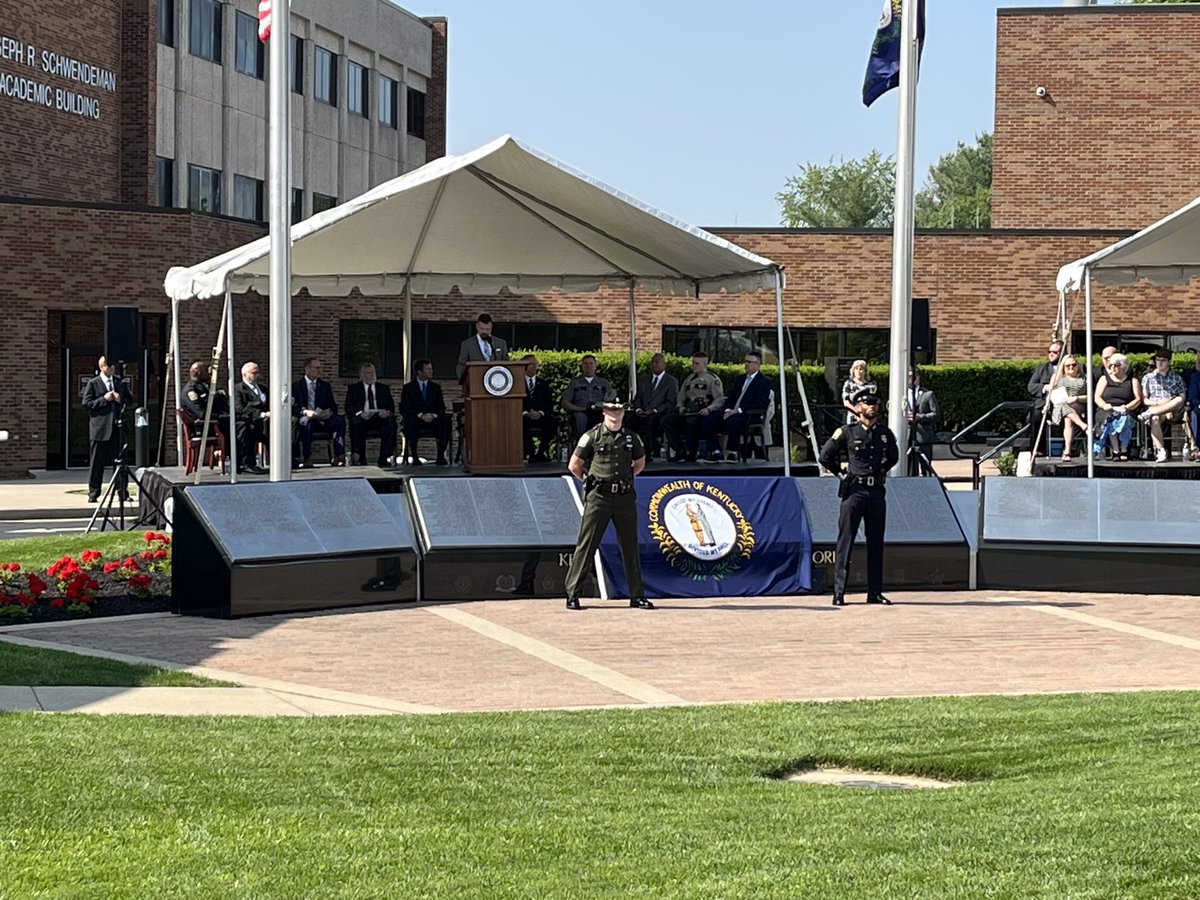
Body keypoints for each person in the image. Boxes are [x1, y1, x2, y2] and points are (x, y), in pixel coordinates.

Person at [563, 390, 653, 611]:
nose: (615, 413)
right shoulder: (592, 436)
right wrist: (589, 481)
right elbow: (574, 465)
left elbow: (639, 463)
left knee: (630, 547)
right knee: (587, 544)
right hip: (599, 497)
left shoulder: (631, 437)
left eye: (619, 409)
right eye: (611, 409)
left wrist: (625, 478)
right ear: (604, 411)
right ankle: (573, 593)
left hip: (623, 496)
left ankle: (637, 595)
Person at [818, 384, 900, 607]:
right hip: (854, 491)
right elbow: (825, 456)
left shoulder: (884, 434)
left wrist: (881, 470)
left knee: (876, 542)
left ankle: (875, 592)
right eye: (867, 403)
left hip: (876, 491)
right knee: (846, 541)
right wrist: (841, 473)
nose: (871, 407)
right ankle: (839, 593)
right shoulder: (847, 431)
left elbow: (894, 457)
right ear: (858, 407)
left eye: (874, 404)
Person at [81, 356, 134, 503]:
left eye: (113, 366)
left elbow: (130, 401)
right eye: (108, 366)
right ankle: (94, 492)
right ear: (102, 367)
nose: (112, 368)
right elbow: (86, 404)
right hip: (100, 429)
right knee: (97, 462)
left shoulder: (119, 382)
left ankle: (122, 492)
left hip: (117, 428)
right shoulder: (94, 383)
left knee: (120, 462)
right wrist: (104, 399)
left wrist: (120, 399)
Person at [662, 351, 724, 462]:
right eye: (693, 363)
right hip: (687, 409)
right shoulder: (689, 379)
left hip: (700, 411)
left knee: (691, 422)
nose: (693, 366)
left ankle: (691, 451)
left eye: (697, 363)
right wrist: (680, 406)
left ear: (705, 364)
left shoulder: (712, 379)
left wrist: (709, 409)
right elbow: (681, 396)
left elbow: (719, 399)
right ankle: (679, 448)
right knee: (667, 420)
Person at [714, 352, 771, 463]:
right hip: (732, 412)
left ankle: (733, 452)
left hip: (749, 415)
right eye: (745, 361)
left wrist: (738, 410)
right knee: (710, 419)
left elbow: (761, 403)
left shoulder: (763, 382)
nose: (746, 364)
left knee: (735, 421)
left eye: (749, 362)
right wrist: (727, 410)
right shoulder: (739, 379)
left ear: (757, 364)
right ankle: (715, 451)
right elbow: (731, 398)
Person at [291, 356, 346, 467]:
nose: (319, 370)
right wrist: (305, 412)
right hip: (307, 418)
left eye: (319, 367)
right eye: (316, 368)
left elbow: (333, 406)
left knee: (340, 420)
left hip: (323, 419)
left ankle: (338, 456)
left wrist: (329, 412)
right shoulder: (296, 386)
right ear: (307, 369)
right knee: (306, 421)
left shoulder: (325, 386)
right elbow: (294, 407)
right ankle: (307, 457)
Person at [399, 358, 450, 465]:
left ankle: (441, 455)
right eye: (428, 369)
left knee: (445, 420)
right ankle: (414, 456)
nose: (431, 371)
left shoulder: (435, 387)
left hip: (433, 419)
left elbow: (441, 407)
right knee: (410, 421)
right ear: (419, 371)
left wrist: (433, 415)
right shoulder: (408, 388)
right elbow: (405, 407)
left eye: (431, 369)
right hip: (417, 418)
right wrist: (421, 415)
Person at [345, 362, 397, 467]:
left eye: (373, 373)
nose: (372, 375)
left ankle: (385, 457)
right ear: (362, 375)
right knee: (355, 422)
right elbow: (349, 407)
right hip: (363, 418)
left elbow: (391, 407)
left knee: (391, 423)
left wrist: (386, 412)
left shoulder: (383, 388)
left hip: (379, 418)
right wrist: (360, 413)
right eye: (368, 373)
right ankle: (360, 456)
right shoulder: (354, 389)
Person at [629, 352, 678, 462]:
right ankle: (631, 448)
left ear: (664, 364)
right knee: (628, 419)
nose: (654, 364)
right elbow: (638, 398)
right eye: (653, 362)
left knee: (650, 420)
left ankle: (650, 449)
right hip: (642, 411)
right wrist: (638, 409)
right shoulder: (644, 380)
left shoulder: (671, 381)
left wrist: (655, 410)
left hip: (659, 413)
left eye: (657, 362)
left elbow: (670, 402)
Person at [1138, 348, 1186, 463]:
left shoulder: (1176, 378)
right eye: (1158, 360)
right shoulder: (1148, 378)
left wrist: (1168, 402)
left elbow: (1183, 398)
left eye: (1163, 360)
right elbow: (1145, 400)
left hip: (1173, 411)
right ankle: (1161, 450)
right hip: (1156, 407)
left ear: (1169, 362)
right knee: (1155, 418)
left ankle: (1148, 413)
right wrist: (1159, 403)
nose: (1159, 363)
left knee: (1179, 399)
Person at [1093, 352, 1141, 461]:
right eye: (1110, 365)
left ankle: (1124, 449)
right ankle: (1115, 450)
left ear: (1123, 366)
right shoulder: (1104, 379)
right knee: (1110, 418)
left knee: (1124, 418)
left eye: (1115, 365)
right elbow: (1097, 397)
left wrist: (1127, 407)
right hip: (1107, 409)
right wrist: (1104, 405)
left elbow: (1138, 399)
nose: (1112, 368)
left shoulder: (1133, 381)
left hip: (1126, 408)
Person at [180, 360, 232, 445]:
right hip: (204, 427)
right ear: (199, 373)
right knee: (236, 426)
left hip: (212, 423)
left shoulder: (202, 386)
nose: (208, 373)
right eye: (206, 371)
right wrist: (222, 416)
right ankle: (233, 452)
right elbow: (201, 414)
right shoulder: (191, 391)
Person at [561, 354, 612, 438]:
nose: (588, 366)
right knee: (580, 418)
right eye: (586, 363)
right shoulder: (575, 383)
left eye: (591, 363)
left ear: (596, 365)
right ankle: (583, 442)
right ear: (582, 366)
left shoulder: (604, 383)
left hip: (599, 412)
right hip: (581, 411)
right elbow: (565, 402)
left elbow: (610, 400)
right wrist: (580, 408)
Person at [232, 361, 269, 474]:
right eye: (253, 373)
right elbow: (240, 408)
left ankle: (284, 458)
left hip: (266, 421)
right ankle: (247, 463)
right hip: (249, 420)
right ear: (244, 374)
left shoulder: (263, 389)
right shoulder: (237, 389)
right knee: (247, 429)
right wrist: (261, 414)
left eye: (258, 372)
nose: (257, 375)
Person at [1027, 340, 1063, 454]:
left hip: (1064, 402)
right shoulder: (1041, 368)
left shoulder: (1070, 366)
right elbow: (1031, 386)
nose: (1051, 354)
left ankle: (1072, 449)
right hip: (1045, 403)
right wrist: (1046, 387)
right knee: (1035, 416)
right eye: (1049, 352)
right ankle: (1038, 449)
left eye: (1055, 352)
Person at [1049, 355, 1088, 461]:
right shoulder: (1059, 378)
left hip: (1079, 406)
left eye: (1073, 365)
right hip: (1060, 408)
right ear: (1063, 367)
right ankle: (1084, 426)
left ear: (1078, 366)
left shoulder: (1084, 378)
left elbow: (1090, 396)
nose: (1071, 367)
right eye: (1068, 365)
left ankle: (1067, 451)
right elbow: (1051, 391)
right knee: (1066, 411)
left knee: (1068, 418)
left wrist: (1076, 398)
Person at [520, 354, 557, 463]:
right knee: (521, 423)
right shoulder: (517, 383)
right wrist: (526, 412)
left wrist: (540, 413)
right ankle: (529, 452)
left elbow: (548, 402)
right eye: (531, 364)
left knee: (551, 422)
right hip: (524, 416)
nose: (534, 367)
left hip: (540, 416)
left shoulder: (543, 383)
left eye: (536, 364)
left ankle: (541, 452)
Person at [904, 368, 940, 475]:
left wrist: (919, 417)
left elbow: (935, 414)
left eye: (913, 377)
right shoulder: (900, 394)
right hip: (906, 437)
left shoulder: (928, 394)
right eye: (909, 377)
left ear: (918, 378)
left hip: (923, 437)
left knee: (926, 468)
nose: (911, 379)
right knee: (908, 467)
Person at [455, 312, 510, 379]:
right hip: (475, 380)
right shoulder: (467, 344)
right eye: (482, 329)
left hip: (496, 381)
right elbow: (461, 366)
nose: (484, 332)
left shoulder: (501, 343)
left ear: (491, 327)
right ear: (477, 326)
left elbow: (506, 364)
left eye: (487, 329)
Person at [841, 359, 874, 425]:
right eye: (856, 369)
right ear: (853, 371)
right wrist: (857, 413)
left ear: (865, 371)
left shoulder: (871, 385)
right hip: (853, 416)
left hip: (868, 416)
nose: (858, 371)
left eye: (861, 369)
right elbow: (846, 402)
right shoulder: (848, 384)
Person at [1186, 354, 1200, 462]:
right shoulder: (1196, 377)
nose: (1198, 364)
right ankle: (1197, 448)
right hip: (1199, 406)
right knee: (1194, 413)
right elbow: (1193, 397)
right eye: (1198, 362)